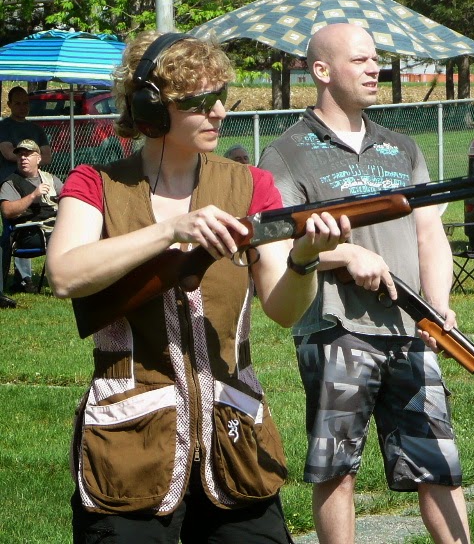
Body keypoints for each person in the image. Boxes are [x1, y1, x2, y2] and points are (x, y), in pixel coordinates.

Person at [45, 31, 351, 542]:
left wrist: (304, 259)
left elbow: (283, 308)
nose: (218, 112)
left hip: (236, 442)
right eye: (198, 102)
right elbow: (65, 275)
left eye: (221, 96)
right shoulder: (94, 183)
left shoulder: (252, 185)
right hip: (129, 446)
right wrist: (169, 231)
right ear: (151, 109)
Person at [259, 23, 471, 544]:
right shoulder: (287, 154)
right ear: (322, 71)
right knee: (337, 469)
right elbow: (278, 247)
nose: (376, 68)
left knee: (438, 463)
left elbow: (429, 235)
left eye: (376, 59)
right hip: (336, 332)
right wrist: (344, 253)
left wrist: (438, 305)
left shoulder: (401, 148)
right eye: (361, 60)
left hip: (411, 328)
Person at [0, 87, 52, 285]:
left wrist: (26, 158)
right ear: (10, 105)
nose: (22, 107)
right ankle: (14, 278)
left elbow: (47, 157)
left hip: (34, 182)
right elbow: (6, 152)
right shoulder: (4, 127)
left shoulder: (36, 129)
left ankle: (25, 278)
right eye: (18, 103)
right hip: (9, 183)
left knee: (32, 220)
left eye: (25, 103)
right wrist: (28, 157)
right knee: (12, 230)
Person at [0, 139, 62, 293]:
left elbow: (68, 197)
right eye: (20, 155)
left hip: (54, 227)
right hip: (28, 233)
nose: (23, 158)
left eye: (28, 154)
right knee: (63, 236)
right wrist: (33, 195)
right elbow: (7, 211)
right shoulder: (10, 183)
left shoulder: (51, 179)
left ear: (38, 158)